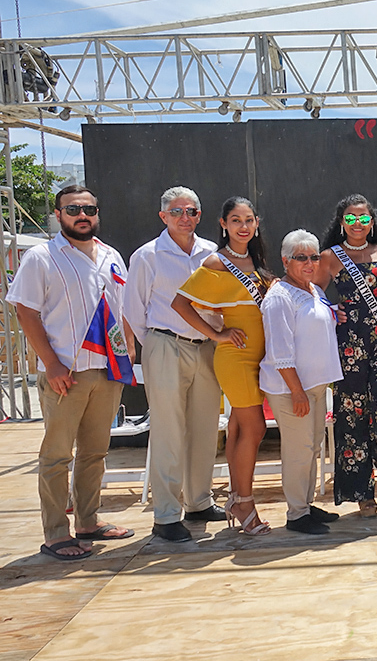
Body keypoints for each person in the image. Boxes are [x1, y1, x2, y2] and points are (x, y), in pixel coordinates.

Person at [9, 184, 135, 560]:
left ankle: (88, 522)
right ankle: (55, 534)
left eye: (89, 209)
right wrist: (51, 364)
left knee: (95, 452)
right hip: (66, 373)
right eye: (74, 209)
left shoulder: (112, 255)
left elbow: (122, 309)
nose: (83, 215)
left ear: (97, 213)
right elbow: (25, 312)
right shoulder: (41, 257)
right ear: (59, 214)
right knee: (56, 456)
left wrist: (124, 355)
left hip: (106, 371)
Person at [124, 186, 224, 544]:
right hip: (165, 345)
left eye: (193, 211)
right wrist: (156, 341)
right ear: (163, 216)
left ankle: (199, 501)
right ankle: (166, 515)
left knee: (205, 428)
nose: (186, 218)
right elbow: (133, 310)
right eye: (178, 212)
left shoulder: (211, 252)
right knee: (168, 430)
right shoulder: (147, 256)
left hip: (207, 349)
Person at [172, 196, 274, 536]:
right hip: (236, 356)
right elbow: (180, 303)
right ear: (223, 224)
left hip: (260, 356)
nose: (243, 226)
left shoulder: (255, 261)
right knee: (255, 428)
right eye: (235, 220)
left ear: (256, 223)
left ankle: (234, 497)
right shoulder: (217, 262)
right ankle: (244, 501)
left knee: (239, 428)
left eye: (248, 220)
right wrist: (217, 333)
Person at [316, 194, 377, 518]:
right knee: (353, 415)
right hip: (349, 345)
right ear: (341, 222)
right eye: (350, 218)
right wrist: (332, 310)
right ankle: (363, 492)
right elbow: (313, 295)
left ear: (372, 221)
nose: (357, 224)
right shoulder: (330, 257)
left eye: (363, 218)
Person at [260, 230, 343, 534]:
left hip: (317, 387)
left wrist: (337, 314)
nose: (309, 263)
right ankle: (296, 514)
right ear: (285, 261)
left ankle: (306, 505)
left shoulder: (315, 291)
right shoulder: (279, 297)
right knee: (298, 450)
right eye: (301, 257)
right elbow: (281, 352)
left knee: (312, 447)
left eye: (314, 257)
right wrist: (296, 391)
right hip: (292, 389)